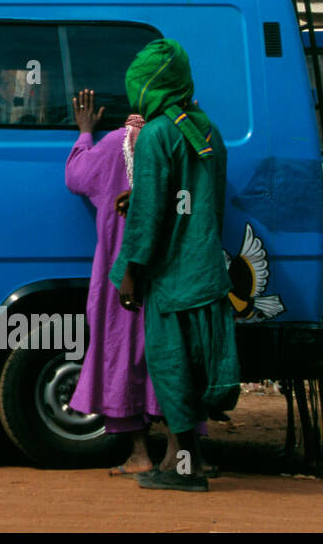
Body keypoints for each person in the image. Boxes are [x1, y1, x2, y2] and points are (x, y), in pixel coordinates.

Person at [109, 39, 239, 492]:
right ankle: (192, 460)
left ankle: (184, 470)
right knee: (194, 369)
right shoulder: (207, 130)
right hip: (205, 272)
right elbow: (188, 196)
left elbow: (149, 217)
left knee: (171, 369)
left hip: (171, 277)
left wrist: (130, 270)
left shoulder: (158, 133)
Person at [64, 89, 159, 475]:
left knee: (121, 354)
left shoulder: (113, 144)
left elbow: (76, 176)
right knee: (165, 357)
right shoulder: (170, 141)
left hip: (123, 273)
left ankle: (139, 454)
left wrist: (85, 132)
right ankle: (179, 453)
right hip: (168, 269)